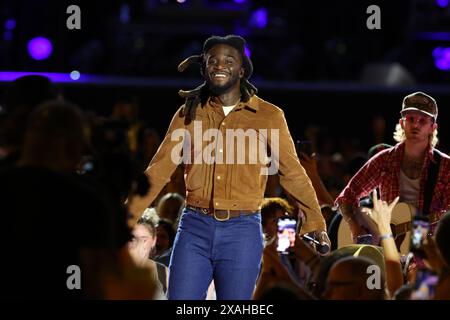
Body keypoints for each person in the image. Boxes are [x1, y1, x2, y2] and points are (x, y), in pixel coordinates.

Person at [128, 34, 329, 300]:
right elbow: (158, 170)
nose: (220, 65)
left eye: (228, 60)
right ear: (204, 68)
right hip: (194, 226)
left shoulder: (269, 116)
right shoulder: (188, 113)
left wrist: (315, 221)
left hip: (243, 230)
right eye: (213, 60)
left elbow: (292, 171)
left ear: (242, 69)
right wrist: (127, 217)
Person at [336, 92, 450, 241]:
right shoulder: (385, 159)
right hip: (386, 244)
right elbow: (346, 197)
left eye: (422, 121)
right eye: (411, 119)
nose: (415, 125)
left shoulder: (445, 166)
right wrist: (355, 228)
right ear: (402, 123)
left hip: (425, 241)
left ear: (432, 128)